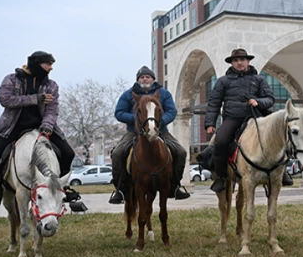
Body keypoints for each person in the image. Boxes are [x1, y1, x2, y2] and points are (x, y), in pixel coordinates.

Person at [0, 51, 77, 209]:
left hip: (42, 127)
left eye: (52, 65)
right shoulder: (11, 79)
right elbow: (5, 99)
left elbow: (52, 109)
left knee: (68, 153)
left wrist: (47, 126)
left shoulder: (51, 85)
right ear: (36, 64)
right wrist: (35, 98)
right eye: (48, 64)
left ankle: (61, 188)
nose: (51, 68)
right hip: (12, 128)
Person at [205, 48, 292, 193]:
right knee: (220, 141)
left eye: (242, 60)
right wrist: (210, 123)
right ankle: (220, 177)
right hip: (232, 118)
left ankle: (283, 172)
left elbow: (270, 99)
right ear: (232, 63)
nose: (239, 63)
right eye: (236, 60)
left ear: (248, 61)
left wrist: (258, 102)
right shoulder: (222, 81)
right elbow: (214, 102)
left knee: (281, 138)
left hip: (255, 116)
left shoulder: (259, 80)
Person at [108, 66, 190, 203]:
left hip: (160, 131)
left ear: (153, 79)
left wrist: (159, 122)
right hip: (134, 132)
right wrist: (137, 120)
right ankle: (121, 190)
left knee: (180, 152)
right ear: (138, 80)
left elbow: (172, 111)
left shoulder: (164, 94)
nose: (145, 79)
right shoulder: (128, 94)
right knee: (117, 153)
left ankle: (174, 186)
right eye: (142, 77)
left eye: (148, 76)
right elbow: (119, 112)